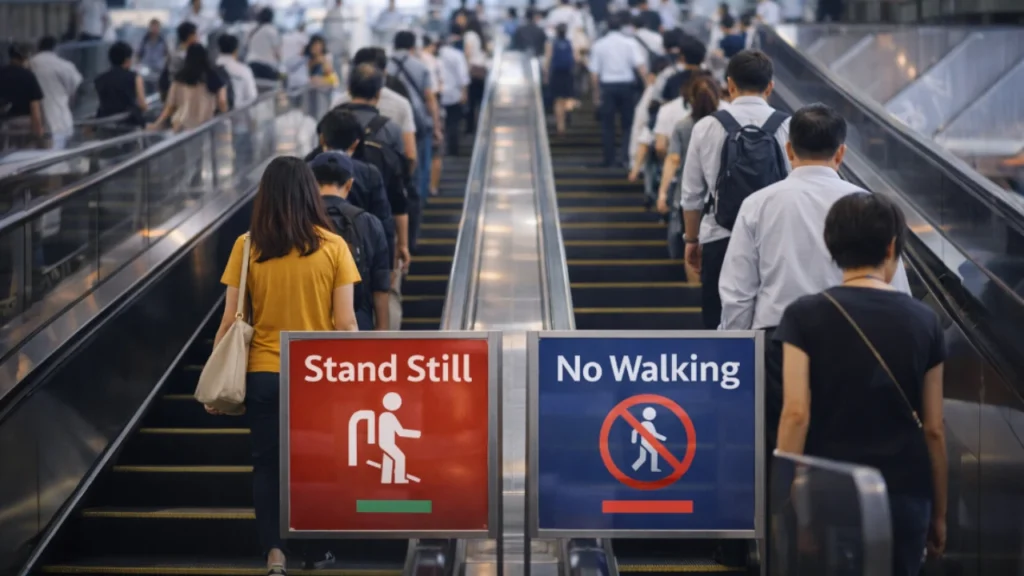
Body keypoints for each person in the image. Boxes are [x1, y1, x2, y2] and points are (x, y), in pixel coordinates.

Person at [774, 191, 947, 576]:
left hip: (830, 490)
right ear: (891, 246)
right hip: (905, 489)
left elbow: (796, 414)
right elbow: (934, 429)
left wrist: (789, 503)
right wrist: (939, 512)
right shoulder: (925, 320)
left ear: (832, 245)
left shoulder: (804, 315)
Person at [718, 102, 911, 445]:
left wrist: (736, 351)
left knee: (782, 442)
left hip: (777, 345)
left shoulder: (758, 204)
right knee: (846, 444)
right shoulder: (869, 204)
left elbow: (738, 292)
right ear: (841, 153)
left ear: (788, 149)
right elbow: (895, 288)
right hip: (856, 340)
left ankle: (785, 497)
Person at [207, 157, 360, 574]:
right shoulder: (334, 247)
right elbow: (346, 323)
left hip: (263, 372)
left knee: (267, 464)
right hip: (319, 377)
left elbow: (229, 319)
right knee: (316, 463)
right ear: (311, 193)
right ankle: (312, 549)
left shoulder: (247, 246)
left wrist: (216, 382)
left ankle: (275, 554)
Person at [679, 50, 791, 329]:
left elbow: (691, 195)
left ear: (729, 85)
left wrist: (692, 240)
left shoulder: (706, 126)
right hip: (775, 238)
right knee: (775, 322)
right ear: (770, 87)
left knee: (720, 322)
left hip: (720, 237)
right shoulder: (789, 126)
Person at [334, 63, 413, 275]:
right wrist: (402, 243)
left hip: (334, 227)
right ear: (378, 93)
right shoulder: (391, 129)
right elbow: (398, 194)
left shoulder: (331, 121)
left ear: (349, 90)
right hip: (379, 224)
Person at [311, 152, 391, 331]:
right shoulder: (370, 223)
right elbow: (380, 287)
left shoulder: (300, 220)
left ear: (312, 184)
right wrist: (382, 332)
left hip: (309, 327)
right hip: (358, 324)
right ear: (349, 184)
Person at [312, 109, 398, 269]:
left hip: (314, 261)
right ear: (356, 143)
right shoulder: (369, 173)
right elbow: (384, 222)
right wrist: (388, 268)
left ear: (322, 138)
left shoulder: (304, 170)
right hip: (360, 261)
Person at [657, 74, 720, 258]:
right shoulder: (725, 125)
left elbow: (673, 159)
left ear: (689, 99)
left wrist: (662, 193)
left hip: (688, 191)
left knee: (691, 243)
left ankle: (692, 285)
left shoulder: (683, 126)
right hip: (720, 194)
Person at [333, 48, 418, 173]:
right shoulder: (401, 104)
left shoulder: (338, 104)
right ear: (384, 73)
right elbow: (410, 156)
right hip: (385, 184)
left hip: (343, 184)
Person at [388, 31, 442, 206]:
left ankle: (395, 199)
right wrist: (436, 126)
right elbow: (430, 99)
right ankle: (417, 200)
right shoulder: (420, 66)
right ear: (413, 47)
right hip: (418, 121)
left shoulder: (384, 67)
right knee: (420, 162)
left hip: (389, 121)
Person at [589, 12, 648, 167]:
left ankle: (609, 159)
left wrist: (596, 94)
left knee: (607, 125)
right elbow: (640, 67)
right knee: (627, 124)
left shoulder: (599, 45)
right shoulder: (629, 43)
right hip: (626, 86)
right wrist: (648, 88)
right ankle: (625, 157)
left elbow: (594, 74)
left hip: (607, 86)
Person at [149, 43, 229, 131]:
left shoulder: (178, 80)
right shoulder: (213, 78)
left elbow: (169, 108)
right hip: (205, 128)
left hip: (182, 130)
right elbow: (222, 101)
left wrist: (156, 124)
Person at [651, 35, 706, 158]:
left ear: (682, 58)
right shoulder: (710, 81)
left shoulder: (672, 79)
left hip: (674, 137)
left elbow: (662, 102)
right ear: (703, 58)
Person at [29, 36, 83, 149]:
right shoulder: (65, 66)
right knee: (57, 157)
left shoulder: (30, 63)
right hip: (59, 118)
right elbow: (75, 87)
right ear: (56, 48)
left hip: (34, 121)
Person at [96, 41, 149, 125]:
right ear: (127, 60)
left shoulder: (99, 79)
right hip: (129, 124)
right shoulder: (135, 77)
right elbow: (143, 105)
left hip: (106, 124)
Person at [0, 44, 45, 139]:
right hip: (25, 125)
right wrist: (39, 130)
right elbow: (34, 107)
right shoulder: (28, 76)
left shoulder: (1, 74)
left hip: (4, 125)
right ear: (24, 58)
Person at [437, 32, 470, 158]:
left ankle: (441, 149)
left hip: (438, 94)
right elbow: (463, 76)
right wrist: (464, 93)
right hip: (454, 94)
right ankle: (453, 150)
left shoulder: (436, 55)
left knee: (440, 122)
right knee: (453, 123)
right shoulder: (457, 55)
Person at [456, 11, 488, 135]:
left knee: (471, 102)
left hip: (472, 71)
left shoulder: (469, 35)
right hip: (481, 71)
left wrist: (465, 68)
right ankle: (481, 125)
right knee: (480, 101)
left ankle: (470, 128)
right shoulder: (479, 36)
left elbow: (467, 53)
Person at [545, 24, 576, 135]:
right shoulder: (569, 43)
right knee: (567, 98)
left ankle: (560, 125)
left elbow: (548, 60)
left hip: (556, 74)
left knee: (558, 100)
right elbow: (575, 59)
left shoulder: (551, 43)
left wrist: (546, 75)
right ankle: (567, 114)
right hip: (567, 74)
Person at [159, 21, 199, 101]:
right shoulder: (183, 56)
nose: (198, 37)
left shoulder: (174, 54)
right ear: (190, 36)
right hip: (182, 96)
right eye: (196, 34)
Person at [216, 34, 259, 108]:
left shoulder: (212, 68)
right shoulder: (243, 70)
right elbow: (252, 97)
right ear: (236, 50)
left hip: (214, 117)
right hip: (237, 114)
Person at [247, 8, 282, 81]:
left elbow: (246, 45)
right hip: (266, 66)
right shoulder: (271, 30)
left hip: (251, 64)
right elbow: (277, 52)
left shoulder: (252, 29)